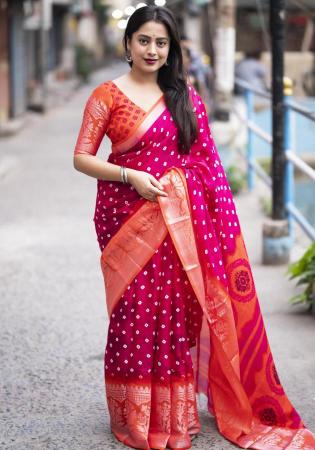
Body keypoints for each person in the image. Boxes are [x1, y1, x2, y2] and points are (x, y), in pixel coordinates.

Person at [73, 5, 315, 450]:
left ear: (171, 49)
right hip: (128, 221)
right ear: (128, 44)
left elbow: (206, 164)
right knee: (134, 314)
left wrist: (178, 184)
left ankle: (173, 413)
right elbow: (81, 156)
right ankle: (133, 414)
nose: (152, 49)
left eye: (161, 42)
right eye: (143, 40)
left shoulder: (186, 99)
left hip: (180, 228)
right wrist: (131, 177)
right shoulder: (105, 96)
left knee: (172, 316)